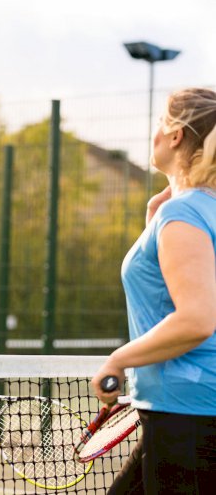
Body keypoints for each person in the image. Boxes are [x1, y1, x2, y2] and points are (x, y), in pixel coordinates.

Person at [92, 87, 216, 494]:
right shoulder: (186, 211)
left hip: (188, 415)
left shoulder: (185, 214)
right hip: (182, 410)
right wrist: (155, 220)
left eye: (160, 124)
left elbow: (197, 318)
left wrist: (118, 359)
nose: (155, 134)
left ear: (176, 135)